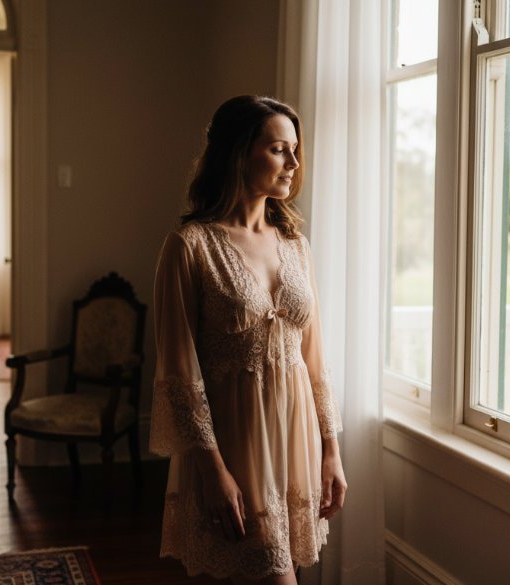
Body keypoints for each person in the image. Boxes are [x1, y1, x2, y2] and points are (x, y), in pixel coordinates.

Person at [151, 95, 347, 585]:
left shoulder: (295, 246)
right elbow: (179, 374)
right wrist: (212, 471)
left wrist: (331, 449)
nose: (294, 163)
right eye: (279, 149)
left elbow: (314, 359)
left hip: (296, 441)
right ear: (239, 153)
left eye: (295, 150)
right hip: (234, 447)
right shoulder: (190, 247)